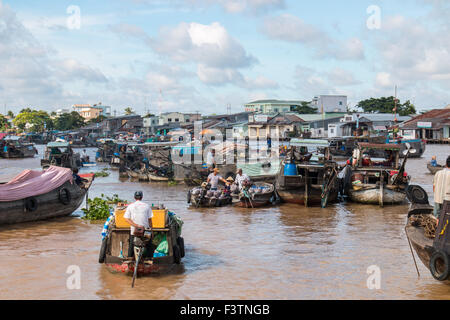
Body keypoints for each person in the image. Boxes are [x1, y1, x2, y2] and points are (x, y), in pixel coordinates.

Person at [124, 191, 155, 258]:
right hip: (146, 230)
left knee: (131, 245)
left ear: (134, 197)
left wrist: (136, 225)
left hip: (134, 231)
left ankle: (129, 258)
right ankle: (149, 259)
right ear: (142, 197)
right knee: (149, 246)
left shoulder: (130, 206)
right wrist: (152, 231)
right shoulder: (147, 206)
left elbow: (126, 219)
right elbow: (150, 220)